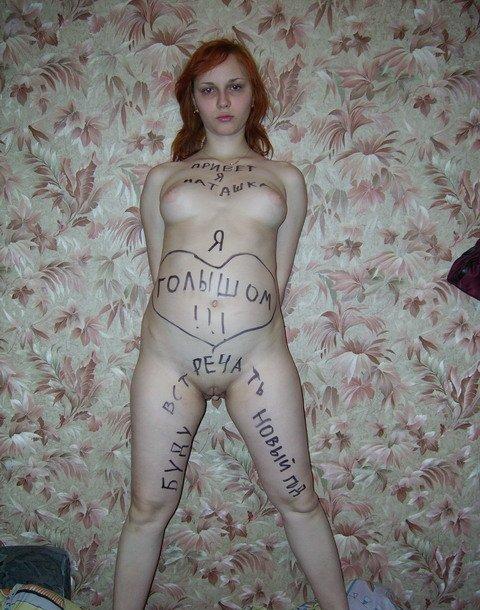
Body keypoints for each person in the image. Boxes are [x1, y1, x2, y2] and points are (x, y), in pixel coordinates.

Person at [112, 37, 349, 610]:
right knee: (146, 510)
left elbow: (278, 280)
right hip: (169, 363)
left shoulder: (286, 177)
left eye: (235, 87)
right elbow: (159, 270)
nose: (223, 100)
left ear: (253, 95)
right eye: (208, 89)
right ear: (192, 99)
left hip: (256, 363)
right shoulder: (163, 177)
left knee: (300, 500)